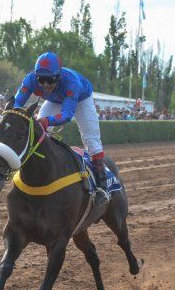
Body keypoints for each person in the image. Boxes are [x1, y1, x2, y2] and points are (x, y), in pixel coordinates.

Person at [13, 51, 110, 205]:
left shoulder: (71, 82)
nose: (45, 84)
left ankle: (102, 188)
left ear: (58, 76)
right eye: (41, 79)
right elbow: (16, 103)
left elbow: (67, 115)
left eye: (50, 80)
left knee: (91, 140)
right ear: (36, 76)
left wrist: (47, 121)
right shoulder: (29, 79)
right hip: (55, 100)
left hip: (81, 100)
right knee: (38, 133)